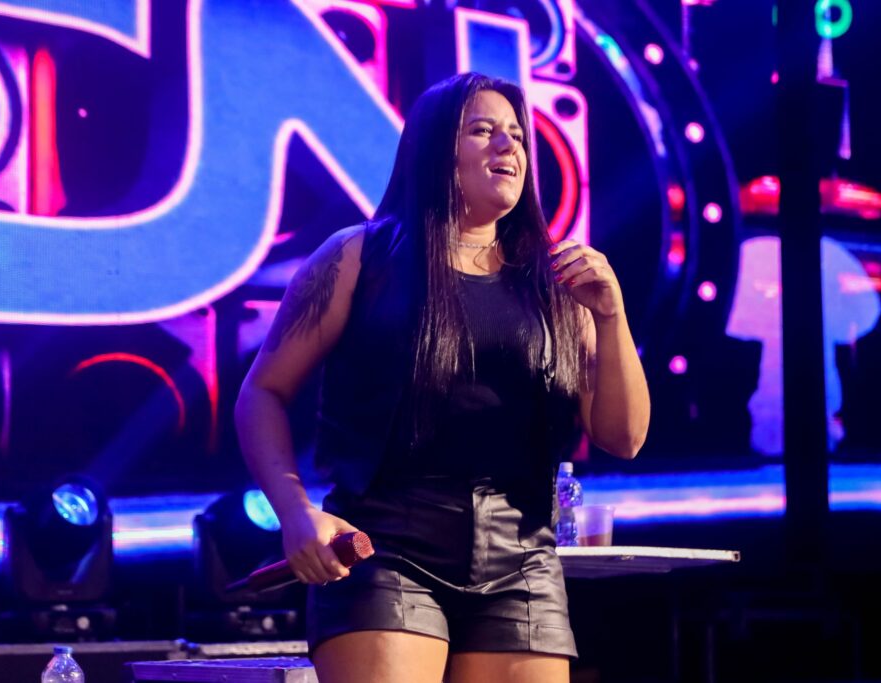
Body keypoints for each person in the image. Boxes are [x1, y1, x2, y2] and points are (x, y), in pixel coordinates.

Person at [235, 72, 650, 683]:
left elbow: (624, 437)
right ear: (434, 150)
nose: (508, 145)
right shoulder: (357, 259)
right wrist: (296, 514)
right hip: (385, 549)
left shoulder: (560, 283)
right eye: (483, 130)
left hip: (523, 560)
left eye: (516, 135)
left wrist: (611, 317)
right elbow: (262, 393)